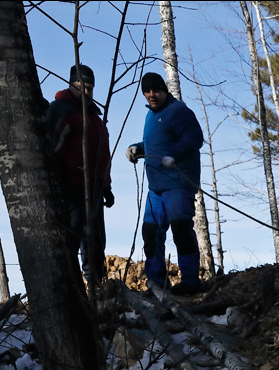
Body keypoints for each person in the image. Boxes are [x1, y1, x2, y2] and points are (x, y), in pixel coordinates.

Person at [125, 72, 205, 295]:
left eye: (156, 90)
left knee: (181, 229)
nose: (152, 95)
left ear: (164, 90)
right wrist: (138, 148)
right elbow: (156, 142)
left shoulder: (178, 111)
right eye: (147, 91)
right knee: (151, 232)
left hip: (178, 184)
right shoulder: (151, 115)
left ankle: (190, 281)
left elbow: (194, 137)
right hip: (156, 188)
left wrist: (175, 156)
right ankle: (157, 282)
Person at [45, 64, 113, 285]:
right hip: (71, 188)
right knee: (72, 240)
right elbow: (50, 148)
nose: (85, 92)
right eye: (79, 87)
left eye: (89, 88)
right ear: (70, 85)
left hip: (93, 190)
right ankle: (72, 289)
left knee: (95, 242)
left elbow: (103, 156)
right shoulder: (61, 110)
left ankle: (96, 285)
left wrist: (106, 187)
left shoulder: (94, 118)